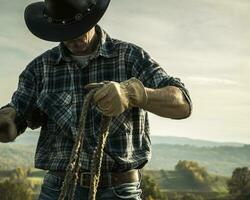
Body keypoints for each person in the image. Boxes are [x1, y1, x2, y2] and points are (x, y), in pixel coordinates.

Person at [0, 0, 192, 199]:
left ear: (91, 18)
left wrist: (132, 93)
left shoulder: (130, 57)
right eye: (65, 33)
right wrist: (7, 122)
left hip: (120, 190)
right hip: (58, 190)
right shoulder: (38, 69)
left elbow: (182, 104)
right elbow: (16, 113)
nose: (73, 38)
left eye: (78, 29)